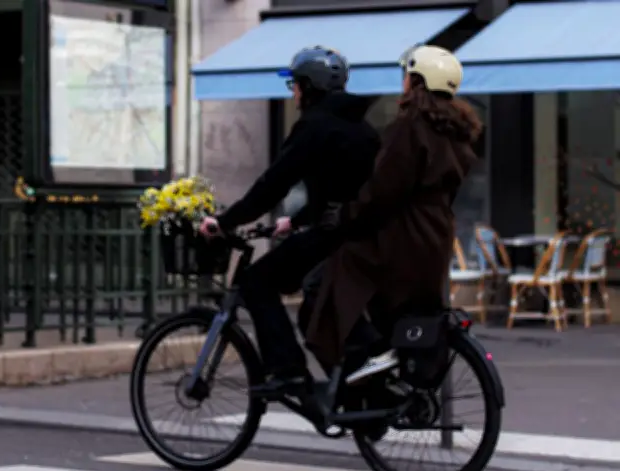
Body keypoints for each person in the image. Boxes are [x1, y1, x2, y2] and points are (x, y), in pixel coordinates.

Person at [199, 46, 381, 395]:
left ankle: (288, 372)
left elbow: (274, 183)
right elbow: (341, 188)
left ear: (310, 86)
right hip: (359, 233)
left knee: (255, 282)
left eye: (295, 85)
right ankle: (350, 392)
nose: (293, 93)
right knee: (309, 311)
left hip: (335, 235)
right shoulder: (361, 127)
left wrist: (225, 222)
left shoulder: (315, 126)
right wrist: (295, 222)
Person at [305, 45, 484, 382]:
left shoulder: (411, 126)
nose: (403, 81)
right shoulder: (458, 133)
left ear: (416, 80)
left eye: (407, 75)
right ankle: (384, 360)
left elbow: (384, 191)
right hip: (434, 237)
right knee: (388, 303)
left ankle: (369, 361)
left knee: (325, 282)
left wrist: (344, 216)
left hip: (401, 237)